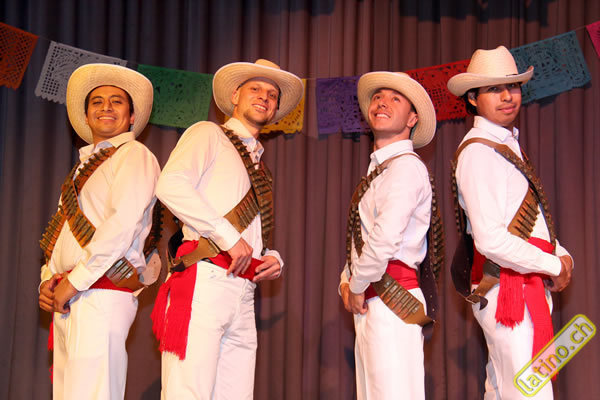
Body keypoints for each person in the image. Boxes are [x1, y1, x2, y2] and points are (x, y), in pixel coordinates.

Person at [151, 59, 303, 399]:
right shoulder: (208, 133)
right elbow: (170, 185)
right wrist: (228, 237)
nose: (264, 97)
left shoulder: (260, 168)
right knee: (187, 392)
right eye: (255, 89)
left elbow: (250, 235)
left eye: (272, 94)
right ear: (235, 96)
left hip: (243, 289)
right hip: (204, 279)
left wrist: (271, 258)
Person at [447, 46, 573, 399]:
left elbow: (530, 219)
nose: (507, 96)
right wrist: (553, 264)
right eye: (494, 89)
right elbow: (490, 240)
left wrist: (561, 255)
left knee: (507, 391)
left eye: (513, 86)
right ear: (473, 98)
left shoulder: (503, 145)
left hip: (522, 281)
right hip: (509, 290)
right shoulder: (479, 151)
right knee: (528, 392)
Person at [38, 63, 160, 399]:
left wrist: (73, 282)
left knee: (94, 392)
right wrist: (48, 280)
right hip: (72, 291)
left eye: (117, 101)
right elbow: (60, 233)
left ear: (131, 117)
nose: (106, 107)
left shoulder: (134, 154)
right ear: (87, 116)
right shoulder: (81, 168)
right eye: (97, 102)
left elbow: (121, 227)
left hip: (101, 291)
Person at [339, 71, 440, 400]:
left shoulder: (405, 167)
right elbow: (363, 240)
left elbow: (384, 239)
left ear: (412, 119)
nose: (382, 102)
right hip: (374, 298)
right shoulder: (381, 169)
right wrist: (348, 281)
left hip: (392, 298)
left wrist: (355, 285)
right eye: (378, 97)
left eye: (395, 99)